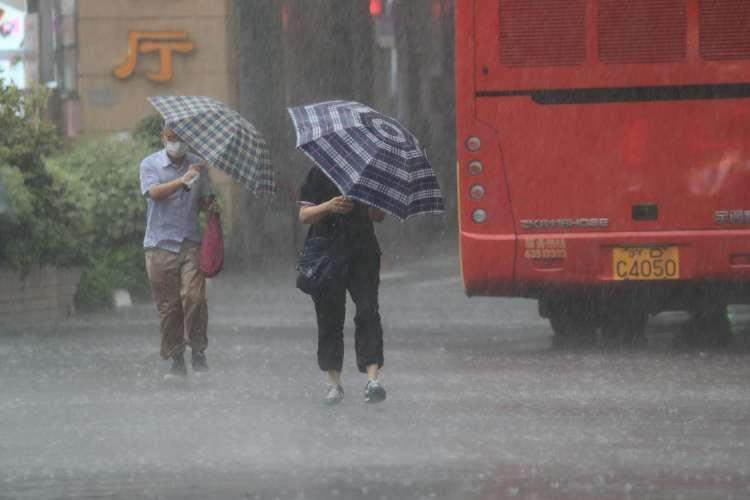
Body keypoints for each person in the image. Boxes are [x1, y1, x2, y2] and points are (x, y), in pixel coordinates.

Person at [298, 166, 387, 405]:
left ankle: (372, 380)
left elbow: (379, 216)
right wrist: (330, 206)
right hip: (327, 253)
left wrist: (375, 203)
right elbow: (304, 215)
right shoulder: (318, 172)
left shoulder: (369, 172)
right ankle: (334, 382)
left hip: (363, 252)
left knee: (368, 311)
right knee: (330, 318)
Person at [139, 127, 215, 378]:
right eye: (171, 139)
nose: (176, 144)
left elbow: (205, 199)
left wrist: (211, 206)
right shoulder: (150, 164)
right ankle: (176, 357)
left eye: (181, 139)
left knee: (195, 297)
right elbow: (154, 193)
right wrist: (181, 181)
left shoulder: (198, 166)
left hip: (190, 243)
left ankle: (198, 350)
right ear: (163, 138)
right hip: (159, 244)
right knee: (169, 306)